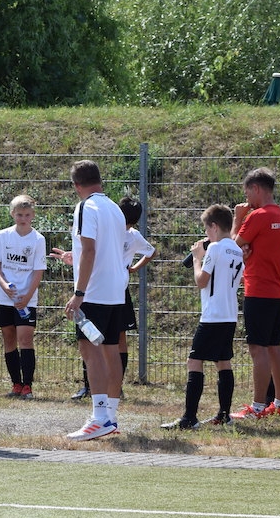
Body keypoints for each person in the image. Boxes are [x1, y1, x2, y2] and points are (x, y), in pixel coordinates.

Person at [62, 160, 128, 442]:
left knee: (91, 352)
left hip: (95, 292)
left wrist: (79, 293)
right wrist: (74, 257)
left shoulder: (85, 206)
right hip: (115, 291)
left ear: (77, 185)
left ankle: (99, 417)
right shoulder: (114, 207)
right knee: (111, 351)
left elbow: (89, 250)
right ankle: (110, 416)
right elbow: (102, 250)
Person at [162, 205, 244, 429]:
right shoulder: (237, 250)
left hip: (213, 316)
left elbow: (201, 281)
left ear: (214, 227)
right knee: (223, 361)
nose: (206, 234)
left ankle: (189, 418)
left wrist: (198, 258)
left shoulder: (215, 249)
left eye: (206, 229)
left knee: (194, 361)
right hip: (229, 314)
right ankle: (224, 415)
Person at [69, 196, 155, 400]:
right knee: (94, 338)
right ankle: (93, 386)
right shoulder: (110, 231)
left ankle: (114, 387)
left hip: (115, 291)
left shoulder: (131, 235)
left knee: (111, 340)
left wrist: (133, 268)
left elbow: (151, 252)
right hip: (100, 289)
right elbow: (90, 254)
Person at [230, 167, 280, 419]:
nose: (247, 198)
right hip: (278, 290)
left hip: (258, 290)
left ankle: (257, 408)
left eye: (247, 193)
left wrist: (237, 219)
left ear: (256, 188)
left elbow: (232, 246)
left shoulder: (258, 216)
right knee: (274, 347)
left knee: (258, 348)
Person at [0, 195, 47, 399]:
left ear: (33, 215)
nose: (23, 218)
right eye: (19, 214)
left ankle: (27, 386)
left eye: (27, 215)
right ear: (12, 214)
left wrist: (27, 297)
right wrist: (4, 285)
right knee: (9, 339)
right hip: (4, 298)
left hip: (26, 299)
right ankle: (16, 384)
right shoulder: (3, 235)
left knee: (25, 339)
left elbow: (38, 271)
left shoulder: (38, 239)